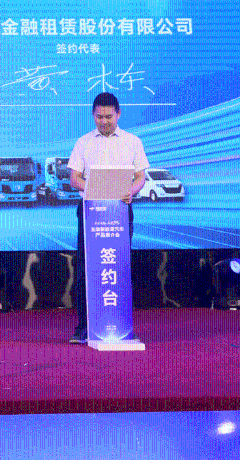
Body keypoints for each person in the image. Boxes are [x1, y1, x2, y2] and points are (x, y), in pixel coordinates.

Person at [66, 92, 149, 344]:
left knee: (119, 266)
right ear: (93, 115)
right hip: (91, 211)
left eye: (109, 117)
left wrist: (130, 191)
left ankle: (121, 324)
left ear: (118, 114)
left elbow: (140, 177)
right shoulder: (83, 142)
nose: (104, 122)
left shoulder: (132, 141)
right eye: (99, 117)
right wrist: (94, 189)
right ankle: (85, 327)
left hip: (120, 211)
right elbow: (74, 178)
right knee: (87, 268)